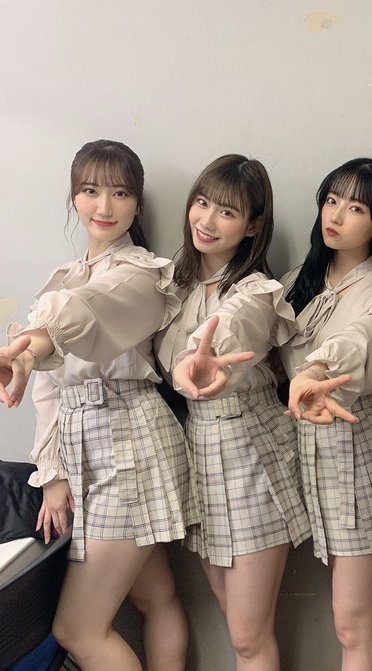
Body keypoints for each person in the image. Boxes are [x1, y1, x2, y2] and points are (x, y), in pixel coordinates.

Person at [0, 139, 221, 671]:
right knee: (154, 598)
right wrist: (53, 472)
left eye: (120, 194)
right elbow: (50, 390)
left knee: (76, 628)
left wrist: (33, 345)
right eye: (91, 191)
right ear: (73, 197)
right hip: (85, 445)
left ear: (138, 204)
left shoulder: (142, 274)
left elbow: (87, 313)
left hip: (130, 442)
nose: (104, 206)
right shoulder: (62, 278)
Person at [155, 154, 310, 671]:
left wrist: (196, 359)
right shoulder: (171, 288)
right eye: (202, 203)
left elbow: (230, 326)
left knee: (247, 635)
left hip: (250, 454)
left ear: (253, 227)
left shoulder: (256, 292)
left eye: (227, 212)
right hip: (197, 452)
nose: (207, 220)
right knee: (234, 623)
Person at [279, 158, 372, 671]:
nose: (336, 215)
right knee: (361, 617)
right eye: (331, 200)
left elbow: (356, 341)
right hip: (314, 448)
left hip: (358, 448)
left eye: (357, 208)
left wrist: (316, 368)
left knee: (350, 621)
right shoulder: (298, 283)